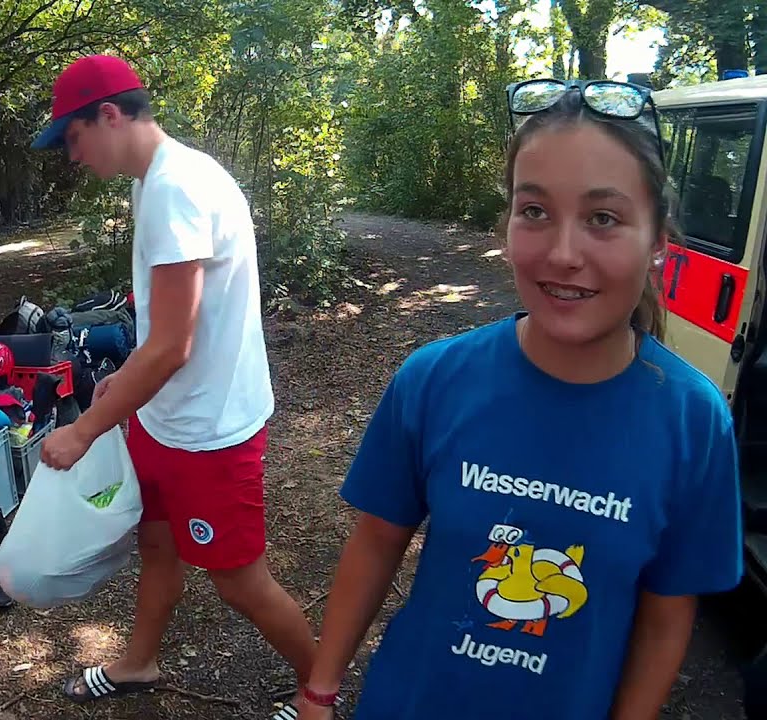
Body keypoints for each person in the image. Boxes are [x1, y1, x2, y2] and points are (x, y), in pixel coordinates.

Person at [294, 79, 744, 719]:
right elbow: (375, 542)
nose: (563, 254)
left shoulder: (693, 420)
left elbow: (667, 616)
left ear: (659, 244)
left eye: (604, 218)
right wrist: (319, 690)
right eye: (534, 211)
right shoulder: (434, 379)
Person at [31, 54, 315, 719]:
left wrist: (83, 429)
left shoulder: (175, 187)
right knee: (156, 545)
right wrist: (120, 391)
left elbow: (172, 347)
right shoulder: (153, 181)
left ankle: (318, 685)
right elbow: (162, 322)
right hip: (165, 416)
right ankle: (139, 661)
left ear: (109, 115)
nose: (73, 156)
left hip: (210, 429)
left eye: (73, 138)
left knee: (239, 581)